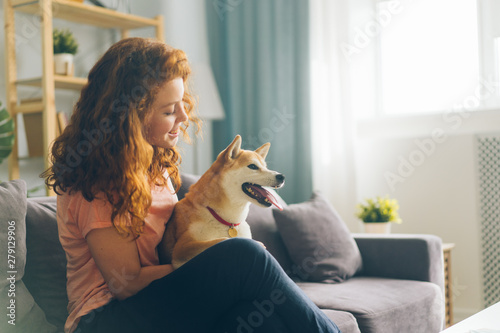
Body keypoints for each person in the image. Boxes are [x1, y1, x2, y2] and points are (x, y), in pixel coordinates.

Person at [43, 37, 341, 333]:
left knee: (258, 316)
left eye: (182, 105)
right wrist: (218, 259)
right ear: (129, 118)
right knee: (245, 256)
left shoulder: (156, 171)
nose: (185, 117)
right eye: (169, 111)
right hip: (106, 319)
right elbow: (127, 283)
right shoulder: (95, 183)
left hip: (159, 301)